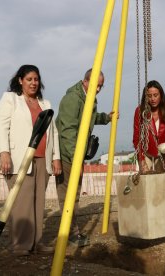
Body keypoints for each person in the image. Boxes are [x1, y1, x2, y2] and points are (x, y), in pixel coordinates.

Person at [0, 65, 61, 256]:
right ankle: (20, 245)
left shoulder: (45, 103)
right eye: (29, 79)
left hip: (42, 159)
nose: (33, 83)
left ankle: (36, 243)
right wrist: (3, 153)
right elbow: (1, 126)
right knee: (22, 203)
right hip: (19, 159)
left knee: (38, 202)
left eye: (36, 79)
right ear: (20, 80)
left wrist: (56, 157)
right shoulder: (10, 99)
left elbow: (53, 133)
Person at [55, 68, 114, 247]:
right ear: (85, 81)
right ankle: (70, 234)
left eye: (101, 87)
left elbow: (90, 117)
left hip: (73, 153)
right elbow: (67, 132)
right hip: (67, 154)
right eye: (96, 85)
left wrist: (107, 118)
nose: (97, 89)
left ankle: (71, 232)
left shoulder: (87, 97)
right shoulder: (73, 99)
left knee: (74, 195)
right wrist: (76, 160)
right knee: (68, 196)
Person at [133, 80, 165, 174]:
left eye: (156, 95)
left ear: (161, 95)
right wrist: (141, 160)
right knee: (146, 181)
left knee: (161, 181)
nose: (153, 99)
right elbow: (136, 137)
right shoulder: (140, 110)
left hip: (163, 152)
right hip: (146, 153)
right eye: (149, 96)